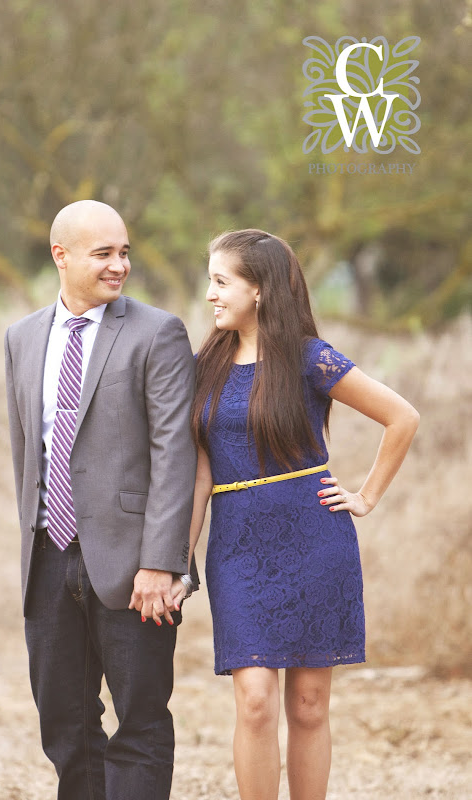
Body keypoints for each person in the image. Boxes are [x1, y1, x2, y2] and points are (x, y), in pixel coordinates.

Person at [183, 229, 420, 800]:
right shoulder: (203, 365)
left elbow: (402, 417)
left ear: (259, 290)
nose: (210, 294)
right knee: (256, 699)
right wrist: (178, 557)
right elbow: (199, 474)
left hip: (316, 542)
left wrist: (364, 496)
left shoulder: (311, 358)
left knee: (310, 706)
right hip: (238, 546)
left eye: (221, 281)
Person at [4, 200, 197, 800]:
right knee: (65, 724)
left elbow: (176, 451)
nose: (120, 266)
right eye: (104, 254)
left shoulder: (157, 332)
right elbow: (25, 451)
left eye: (125, 252)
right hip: (47, 557)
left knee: (140, 723)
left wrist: (163, 562)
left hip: (134, 565)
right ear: (61, 256)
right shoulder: (21, 337)